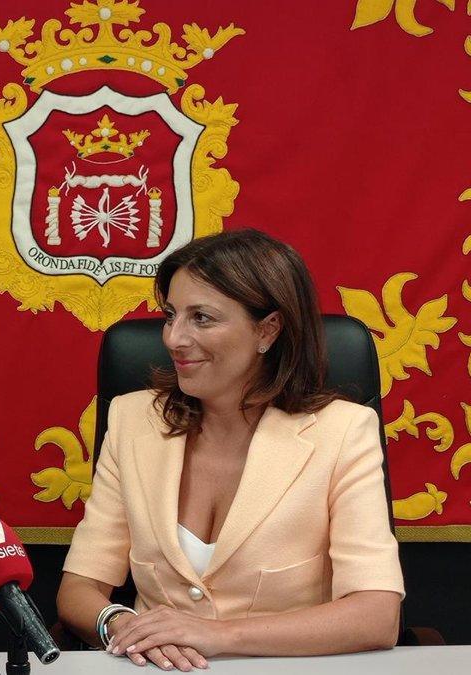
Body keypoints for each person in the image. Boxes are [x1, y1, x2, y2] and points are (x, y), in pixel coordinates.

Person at [57, 229, 404, 671]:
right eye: (171, 315)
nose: (173, 338)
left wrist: (218, 636)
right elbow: (78, 590)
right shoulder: (132, 421)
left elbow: (375, 616)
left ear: (268, 330)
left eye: (201, 318)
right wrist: (119, 622)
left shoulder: (344, 432)